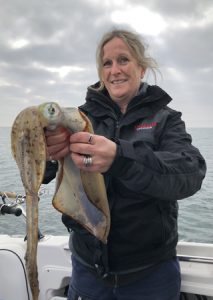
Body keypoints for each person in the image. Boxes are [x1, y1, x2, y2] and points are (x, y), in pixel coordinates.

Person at [44, 29, 206, 300]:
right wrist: (49, 152)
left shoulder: (166, 119)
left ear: (141, 69)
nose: (114, 70)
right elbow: (46, 172)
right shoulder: (78, 118)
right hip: (88, 271)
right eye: (107, 63)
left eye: (123, 60)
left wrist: (121, 159)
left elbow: (190, 172)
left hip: (151, 273)